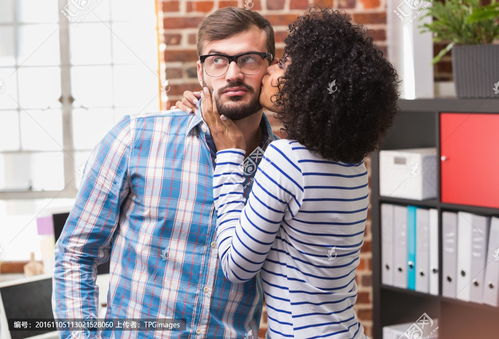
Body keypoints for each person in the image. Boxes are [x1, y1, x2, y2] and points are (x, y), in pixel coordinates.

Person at [52, 7, 279, 338]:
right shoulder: (136, 139)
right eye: (218, 60)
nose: (232, 74)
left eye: (248, 60)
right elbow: (76, 254)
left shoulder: (282, 168)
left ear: (268, 68)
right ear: (201, 72)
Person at [179, 8, 398, 339]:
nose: (270, 71)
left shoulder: (286, 158)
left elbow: (236, 265)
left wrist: (228, 154)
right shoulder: (353, 167)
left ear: (309, 87)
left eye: (283, 66)